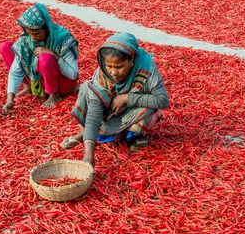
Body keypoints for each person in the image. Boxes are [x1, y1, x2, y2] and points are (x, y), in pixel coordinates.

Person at [60, 32, 169, 167]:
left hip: (132, 112)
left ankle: (132, 135)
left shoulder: (146, 67)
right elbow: (94, 114)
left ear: (132, 60)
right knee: (86, 89)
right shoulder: (101, 75)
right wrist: (88, 155)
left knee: (151, 109)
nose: (113, 72)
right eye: (109, 66)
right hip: (108, 114)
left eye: (119, 67)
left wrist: (127, 98)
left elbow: (163, 101)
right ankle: (86, 134)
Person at [0, 3, 79, 115]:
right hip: (40, 80)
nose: (34, 38)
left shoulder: (61, 38)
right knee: (6, 47)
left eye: (37, 33)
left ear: (46, 28)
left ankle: (54, 95)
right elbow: (15, 71)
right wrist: (10, 100)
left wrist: (53, 54)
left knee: (45, 57)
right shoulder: (27, 39)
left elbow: (73, 74)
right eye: (30, 33)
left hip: (62, 83)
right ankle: (29, 87)